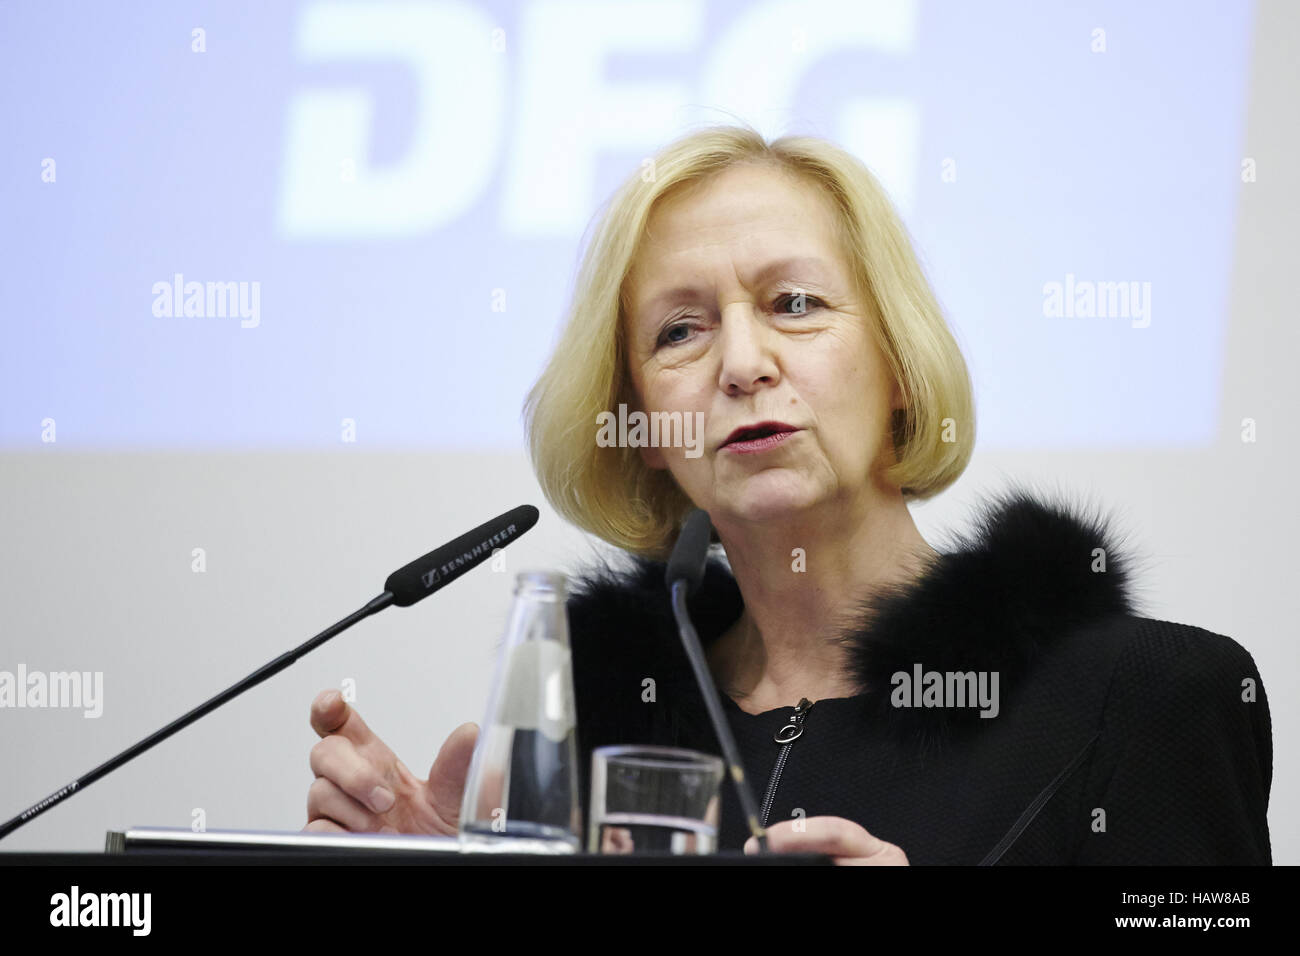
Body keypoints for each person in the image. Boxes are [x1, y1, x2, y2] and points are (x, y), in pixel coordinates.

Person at [304, 125, 1272, 864]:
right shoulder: (587, 744)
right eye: (678, 330)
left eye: (792, 303)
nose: (740, 361)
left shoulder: (1142, 694)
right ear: (638, 422)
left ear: (896, 360)